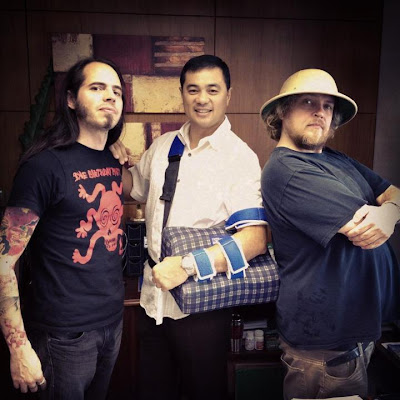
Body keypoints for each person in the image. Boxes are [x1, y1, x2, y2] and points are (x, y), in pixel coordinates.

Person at [111, 54, 268, 400]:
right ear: (181, 93)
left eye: (213, 89)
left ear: (228, 95)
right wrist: (107, 149)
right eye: (193, 89)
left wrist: (185, 266)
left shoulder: (238, 157)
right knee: (153, 391)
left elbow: (255, 239)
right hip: (154, 299)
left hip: (203, 306)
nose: (202, 99)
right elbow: (132, 188)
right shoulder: (164, 145)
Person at [260, 68, 400, 399]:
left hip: (355, 331)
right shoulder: (287, 170)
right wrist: (387, 213)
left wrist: (390, 212)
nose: (320, 112)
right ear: (283, 112)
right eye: (308, 102)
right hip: (325, 344)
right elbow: (364, 227)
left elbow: (392, 193)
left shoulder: (337, 160)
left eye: (327, 106)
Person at [0, 57, 126, 399]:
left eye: (116, 91)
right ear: (71, 99)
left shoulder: (112, 160)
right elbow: (4, 262)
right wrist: (18, 347)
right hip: (63, 335)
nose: (110, 96)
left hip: (111, 323)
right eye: (97, 87)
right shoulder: (44, 165)